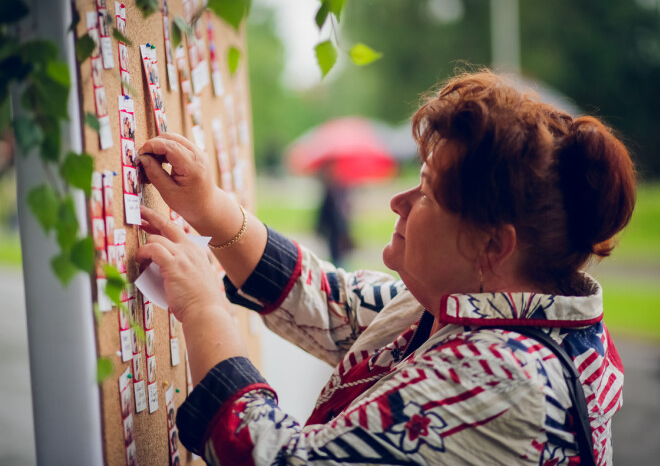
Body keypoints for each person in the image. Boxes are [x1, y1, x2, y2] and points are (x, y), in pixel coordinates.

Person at [135, 70, 635, 465]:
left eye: (428, 194)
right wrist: (210, 207)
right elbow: (329, 301)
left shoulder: (508, 381)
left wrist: (203, 309)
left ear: (494, 246)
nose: (399, 201)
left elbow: (275, 459)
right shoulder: (468, 306)